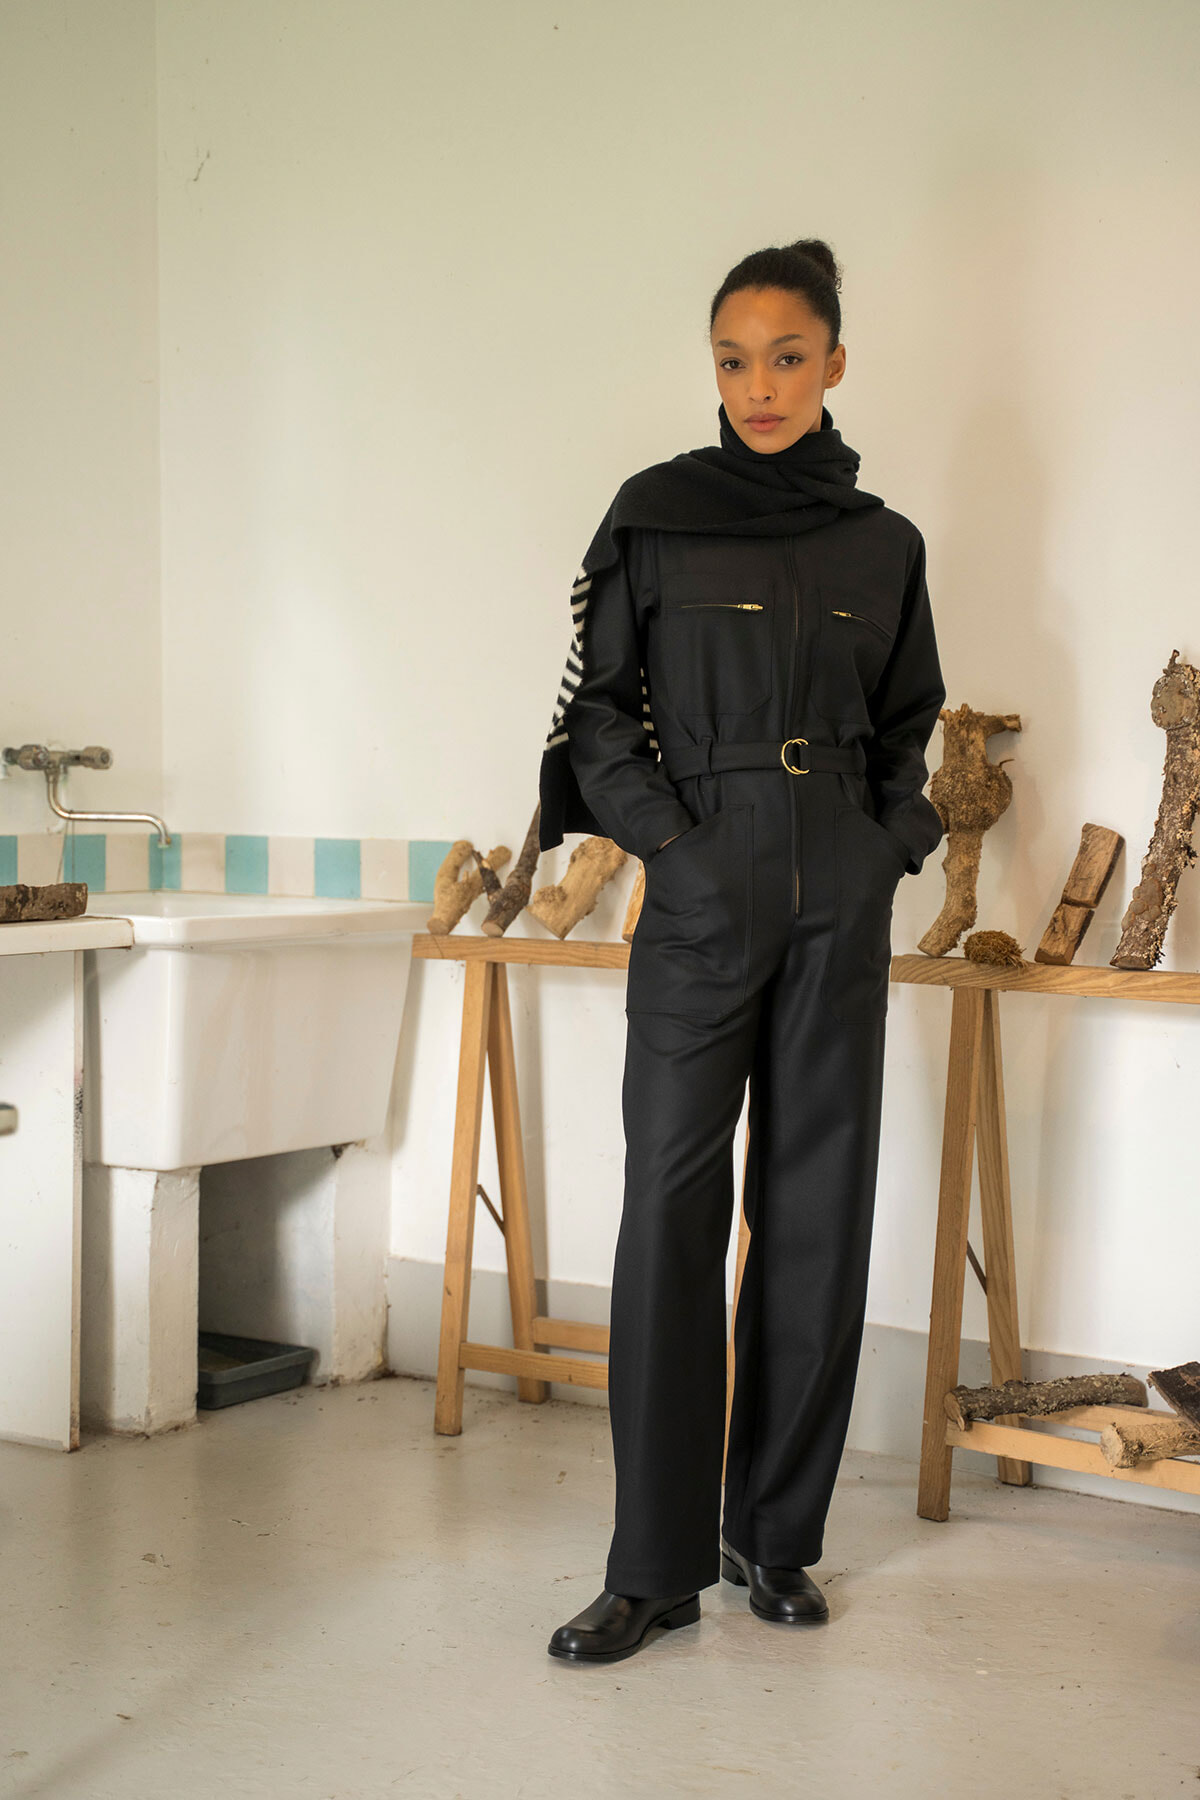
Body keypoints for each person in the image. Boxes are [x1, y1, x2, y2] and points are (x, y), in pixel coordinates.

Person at [537, 239, 946, 1665]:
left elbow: (912, 725)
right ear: (709, 367)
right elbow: (601, 717)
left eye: (786, 356)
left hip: (838, 886)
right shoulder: (656, 519)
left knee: (818, 1207)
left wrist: (883, 845)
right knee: (668, 1209)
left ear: (834, 362)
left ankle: (773, 1538)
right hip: (703, 891)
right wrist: (675, 846)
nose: (758, 386)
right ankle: (651, 1569)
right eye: (732, 357)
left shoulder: (883, 542)